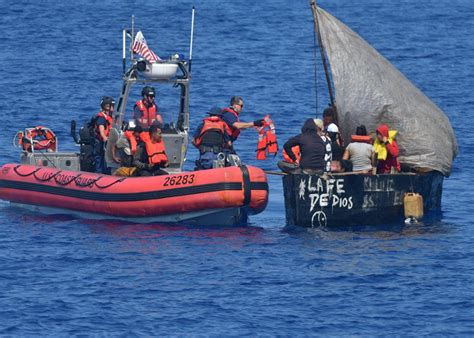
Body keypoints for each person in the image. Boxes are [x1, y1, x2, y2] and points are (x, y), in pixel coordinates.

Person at [95, 96, 115, 174]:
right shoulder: (101, 118)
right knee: (99, 159)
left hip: (109, 143)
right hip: (100, 143)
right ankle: (99, 174)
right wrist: (104, 137)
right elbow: (101, 130)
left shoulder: (110, 117)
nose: (113, 109)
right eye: (111, 107)